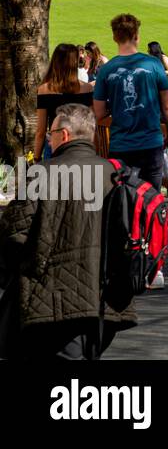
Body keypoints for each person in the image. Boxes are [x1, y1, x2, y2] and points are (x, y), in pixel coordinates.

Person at [0, 104, 137, 358]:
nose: (49, 139)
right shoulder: (116, 176)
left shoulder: (43, 173)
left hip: (52, 301)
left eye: (51, 133)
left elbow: (13, 233)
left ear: (63, 135)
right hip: (106, 302)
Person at [92, 13, 168, 192]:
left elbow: (98, 113)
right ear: (137, 36)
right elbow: (167, 107)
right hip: (151, 144)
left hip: (121, 145)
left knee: (124, 201)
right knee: (151, 199)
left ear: (115, 37)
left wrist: (117, 103)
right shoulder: (154, 65)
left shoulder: (106, 70)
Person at [32, 43, 95, 162]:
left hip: (55, 145)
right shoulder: (87, 89)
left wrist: (36, 158)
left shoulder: (45, 90)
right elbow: (91, 125)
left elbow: (41, 130)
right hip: (81, 146)